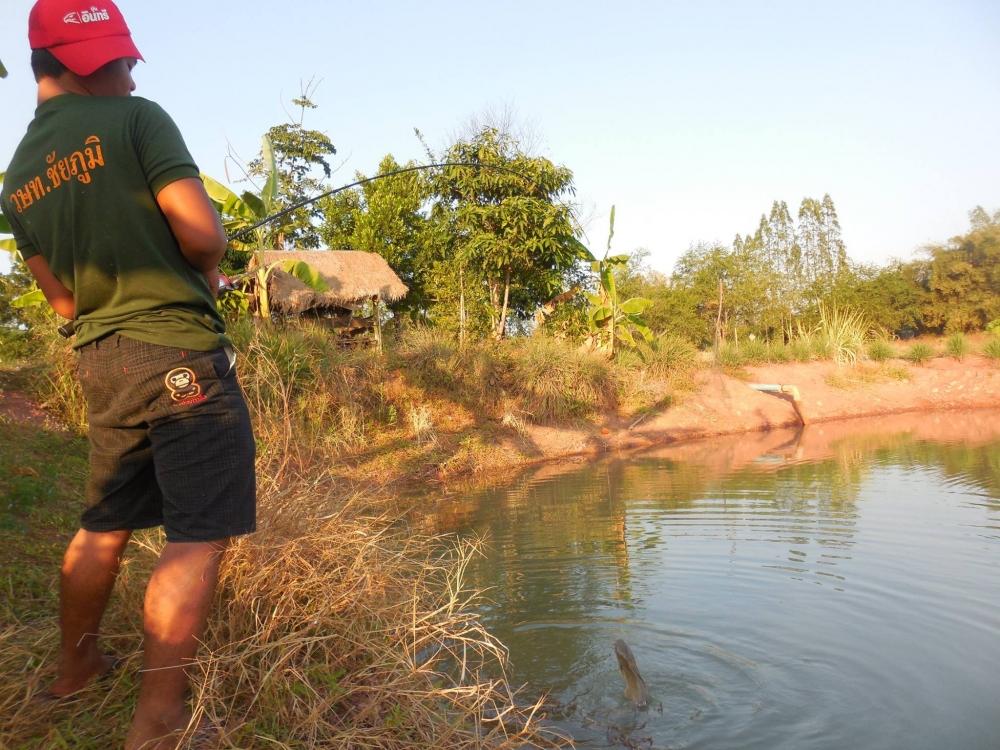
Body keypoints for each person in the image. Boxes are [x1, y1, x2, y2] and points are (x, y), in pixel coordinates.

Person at [1, 1, 256, 747]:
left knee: (103, 522)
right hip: (178, 354)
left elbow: (63, 301)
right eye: (116, 57)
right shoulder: (138, 122)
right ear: (74, 62)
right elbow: (203, 235)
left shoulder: (18, 176)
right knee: (197, 536)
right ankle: (158, 723)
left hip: (102, 362)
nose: (130, 68)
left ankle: (73, 672)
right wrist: (203, 269)